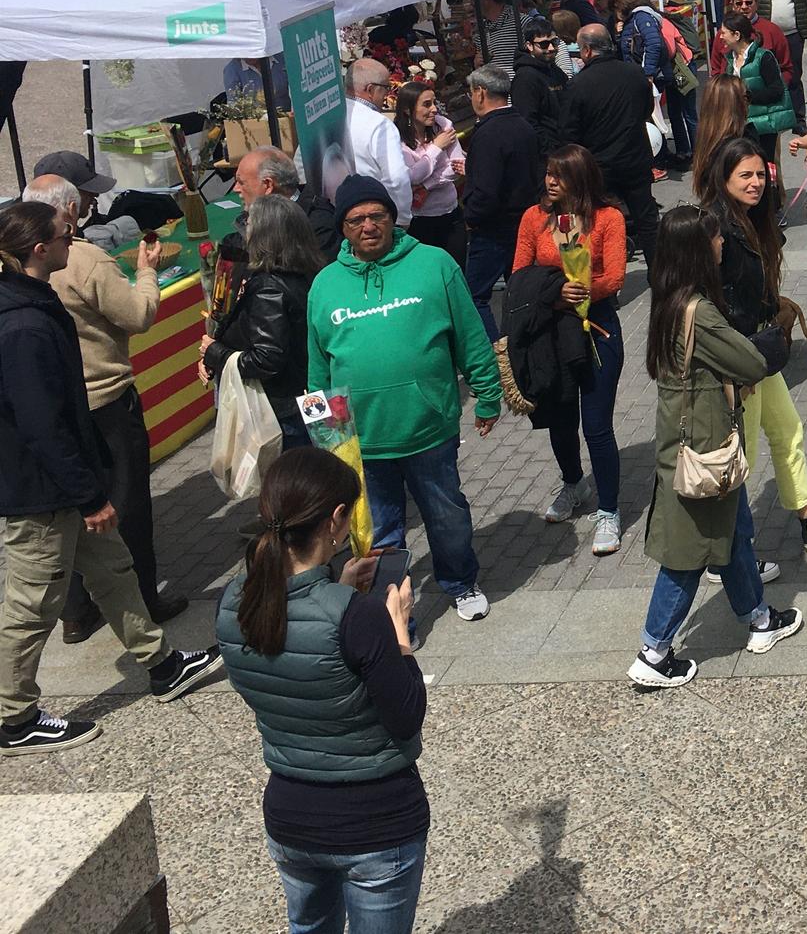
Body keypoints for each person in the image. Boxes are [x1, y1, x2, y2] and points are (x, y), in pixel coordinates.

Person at [0, 200, 223, 755]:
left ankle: (163, 665)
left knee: (114, 571)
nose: (70, 238)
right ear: (39, 250)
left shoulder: (30, 299)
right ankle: (13, 717)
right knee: (32, 603)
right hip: (42, 492)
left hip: (63, 481)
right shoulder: (23, 325)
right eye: (62, 235)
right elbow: (42, 425)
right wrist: (86, 493)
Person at [215, 447, 428, 932]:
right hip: (376, 820)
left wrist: (336, 584)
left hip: (290, 817)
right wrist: (397, 633)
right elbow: (407, 714)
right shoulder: (360, 617)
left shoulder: (233, 602)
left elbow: (294, 647)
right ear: (336, 520)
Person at [308, 176, 503, 622]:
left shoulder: (434, 264)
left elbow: (471, 337)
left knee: (446, 515)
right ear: (343, 227)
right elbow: (318, 367)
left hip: (428, 427)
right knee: (378, 534)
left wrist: (488, 395)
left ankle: (459, 581)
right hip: (362, 439)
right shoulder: (324, 285)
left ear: (393, 218)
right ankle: (395, 616)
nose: (368, 225)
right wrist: (327, 438)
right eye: (356, 219)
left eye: (377, 215)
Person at [629, 206, 801, 690]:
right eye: (715, 240)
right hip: (703, 452)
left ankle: (759, 619)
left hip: (692, 443)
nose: (722, 244)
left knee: (732, 532)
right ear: (697, 251)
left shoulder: (666, 300)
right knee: (689, 552)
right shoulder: (698, 312)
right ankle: (653, 651)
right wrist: (774, 337)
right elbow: (749, 362)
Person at [15, 171, 174, 645]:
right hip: (106, 401)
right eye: (82, 202)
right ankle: (145, 600)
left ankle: (78, 613)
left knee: (75, 512)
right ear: (67, 212)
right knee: (127, 504)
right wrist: (147, 271)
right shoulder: (83, 258)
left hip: (59, 408)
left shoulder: (15, 273)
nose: (86, 209)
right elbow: (138, 316)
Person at [701, 137, 807, 555]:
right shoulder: (716, 227)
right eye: (746, 175)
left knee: (787, 430)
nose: (756, 182)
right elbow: (713, 303)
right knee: (744, 456)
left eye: (760, 174)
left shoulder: (749, 219)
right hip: (742, 361)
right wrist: (738, 368)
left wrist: (776, 306)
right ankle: (733, 555)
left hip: (759, 352)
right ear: (724, 178)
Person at [515, 145, 627, 558]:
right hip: (551, 330)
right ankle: (573, 482)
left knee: (597, 426)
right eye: (547, 173)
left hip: (596, 329)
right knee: (560, 418)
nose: (549, 181)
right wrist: (554, 294)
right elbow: (520, 274)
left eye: (559, 175)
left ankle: (610, 510)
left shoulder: (608, 218)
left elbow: (614, 277)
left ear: (580, 179)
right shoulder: (533, 218)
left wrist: (578, 292)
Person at [200, 194, 317, 452]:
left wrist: (216, 353)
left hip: (281, 412)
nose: (245, 232)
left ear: (266, 234)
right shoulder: (306, 275)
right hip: (302, 402)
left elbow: (266, 358)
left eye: (250, 224)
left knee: (288, 486)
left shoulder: (268, 286)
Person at [563, 24, 661, 261]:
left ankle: (606, 282)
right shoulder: (635, 73)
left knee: (598, 224)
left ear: (586, 50)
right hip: (634, 158)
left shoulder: (579, 84)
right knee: (647, 221)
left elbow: (569, 130)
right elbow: (647, 109)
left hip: (600, 167)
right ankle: (659, 275)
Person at [459, 63, 540, 341]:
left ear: (480, 93)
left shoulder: (488, 133)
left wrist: (471, 216)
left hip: (493, 229)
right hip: (522, 221)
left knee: (474, 297)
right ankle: (519, 343)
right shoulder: (522, 125)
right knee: (517, 291)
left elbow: (486, 191)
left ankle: (497, 352)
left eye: (471, 92)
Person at [392, 84, 465, 266]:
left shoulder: (444, 125)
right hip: (419, 219)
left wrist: (426, 186)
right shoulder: (396, 138)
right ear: (408, 110)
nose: (433, 109)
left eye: (434, 102)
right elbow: (413, 176)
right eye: (426, 104)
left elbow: (456, 167)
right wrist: (437, 147)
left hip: (450, 213)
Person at [232, 147, 339, 262]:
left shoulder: (318, 227)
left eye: (241, 182)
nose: (235, 189)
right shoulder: (252, 218)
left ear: (268, 185)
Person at [338, 59, 412, 221]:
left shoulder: (328, 115)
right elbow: (396, 179)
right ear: (370, 90)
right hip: (372, 217)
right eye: (386, 88)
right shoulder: (379, 124)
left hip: (335, 212)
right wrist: (401, 219)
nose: (387, 94)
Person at [753, 0, 807, 135]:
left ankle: (798, 118)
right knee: (767, 76)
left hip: (793, 33)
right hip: (765, 35)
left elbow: (804, 1)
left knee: (794, 75)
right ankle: (772, 115)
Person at [718, 13, 791, 162]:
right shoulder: (729, 60)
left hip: (762, 126)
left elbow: (776, 90)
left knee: (763, 168)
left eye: (723, 33)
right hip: (738, 125)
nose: (720, 37)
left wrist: (747, 96)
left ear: (736, 35)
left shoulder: (763, 57)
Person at [511, 18, 571, 162]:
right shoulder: (525, 78)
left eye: (554, 42)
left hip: (565, 149)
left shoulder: (556, 72)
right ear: (529, 46)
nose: (550, 48)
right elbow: (528, 122)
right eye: (543, 44)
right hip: (548, 158)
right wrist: (550, 153)